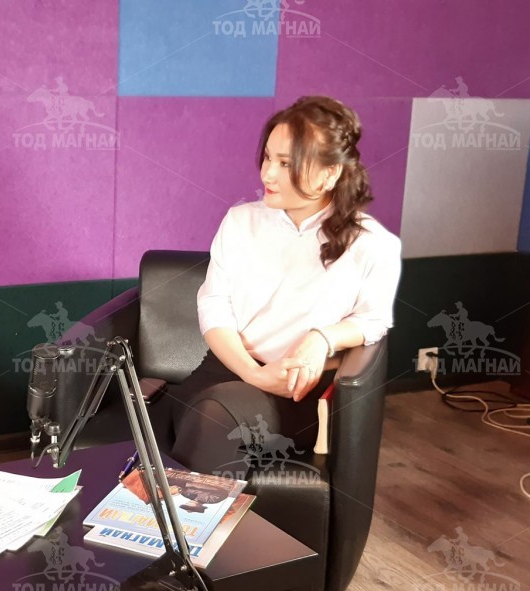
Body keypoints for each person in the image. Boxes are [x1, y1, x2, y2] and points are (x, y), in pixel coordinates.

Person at [171, 95, 402, 476]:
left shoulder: (373, 244)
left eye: (286, 163)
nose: (268, 175)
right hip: (225, 368)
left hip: (295, 391)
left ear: (330, 173)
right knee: (155, 431)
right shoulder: (240, 221)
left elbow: (373, 320)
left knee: (212, 419)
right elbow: (214, 306)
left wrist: (321, 338)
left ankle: (190, 515)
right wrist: (252, 372)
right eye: (267, 158)